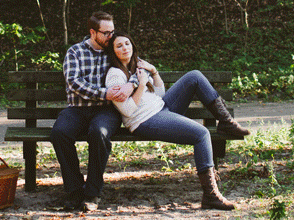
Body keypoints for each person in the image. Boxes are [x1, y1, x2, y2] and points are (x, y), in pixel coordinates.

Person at [104, 31, 249, 210]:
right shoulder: (115, 75)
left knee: (194, 76)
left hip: (162, 108)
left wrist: (153, 71)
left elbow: (159, 94)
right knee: (202, 134)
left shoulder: (137, 66)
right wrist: (140, 85)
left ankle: (226, 121)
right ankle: (211, 195)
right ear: (113, 51)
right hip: (144, 120)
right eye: (119, 46)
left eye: (127, 43)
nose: (125, 48)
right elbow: (127, 110)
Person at [50, 12, 131, 212]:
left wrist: (132, 84)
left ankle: (92, 193)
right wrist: (104, 93)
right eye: (106, 33)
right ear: (93, 32)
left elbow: (136, 66)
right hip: (77, 109)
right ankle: (74, 190)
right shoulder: (75, 52)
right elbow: (74, 82)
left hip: (105, 111)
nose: (111, 36)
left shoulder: (113, 50)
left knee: (99, 133)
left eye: (112, 32)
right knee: (59, 133)